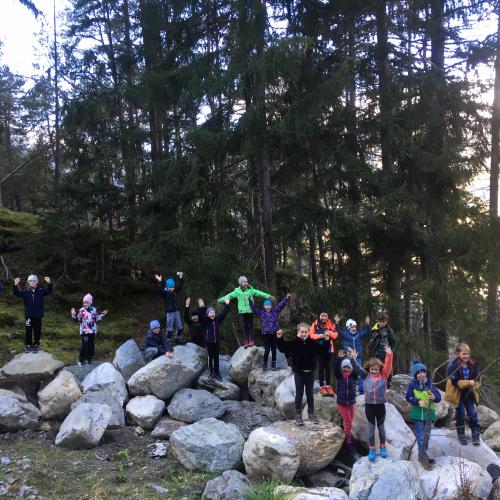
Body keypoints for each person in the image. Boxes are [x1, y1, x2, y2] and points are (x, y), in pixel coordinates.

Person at [277, 324, 320, 426]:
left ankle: (311, 413)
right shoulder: (295, 342)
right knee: (299, 393)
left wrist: (326, 340)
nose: (304, 334)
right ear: (298, 332)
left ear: (308, 332)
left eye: (305, 332)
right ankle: (298, 415)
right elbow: (283, 348)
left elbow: (322, 350)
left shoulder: (312, 343)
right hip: (299, 372)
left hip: (310, 372)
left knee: (310, 393)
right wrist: (279, 338)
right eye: (302, 332)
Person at [357, 345, 393, 461]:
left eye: (376, 369)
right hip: (369, 407)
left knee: (381, 428)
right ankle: (372, 449)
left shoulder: (384, 376)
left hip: (380, 406)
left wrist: (389, 355)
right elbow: (357, 369)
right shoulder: (366, 376)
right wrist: (353, 359)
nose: (374, 371)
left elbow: (387, 366)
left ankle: (383, 448)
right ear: (369, 369)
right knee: (371, 429)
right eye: (372, 369)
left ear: (379, 369)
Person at [217, 276, 273, 348]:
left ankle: (251, 340)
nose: (246, 283)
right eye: (244, 282)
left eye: (246, 281)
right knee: (245, 326)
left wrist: (268, 296)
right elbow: (229, 296)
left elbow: (259, 293)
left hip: (250, 310)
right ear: (240, 283)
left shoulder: (250, 290)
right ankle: (246, 341)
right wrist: (220, 300)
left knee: (250, 326)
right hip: (242, 312)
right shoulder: (237, 292)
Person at [405, 360, 441, 469]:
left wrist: (434, 397)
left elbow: (438, 397)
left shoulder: (430, 384)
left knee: (427, 435)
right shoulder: (412, 385)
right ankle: (422, 458)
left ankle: (424, 454)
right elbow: (408, 397)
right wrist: (416, 401)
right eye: (419, 372)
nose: (422, 374)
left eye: (423, 372)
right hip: (417, 415)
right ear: (415, 374)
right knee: (421, 437)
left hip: (428, 415)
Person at [446, 343, 480, 446]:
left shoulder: (472, 365)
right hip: (458, 395)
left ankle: (476, 435)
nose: (466, 356)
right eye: (463, 354)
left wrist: (475, 385)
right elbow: (455, 382)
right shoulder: (453, 367)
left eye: (467, 354)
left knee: (472, 414)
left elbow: (477, 378)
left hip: (469, 394)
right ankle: (461, 435)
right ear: (458, 354)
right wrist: (468, 383)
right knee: (460, 414)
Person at [250, 293, 291, 371]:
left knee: (274, 350)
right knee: (267, 350)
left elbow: (281, 305)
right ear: (264, 306)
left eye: (269, 305)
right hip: (266, 335)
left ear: (271, 306)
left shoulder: (275, 311)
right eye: (266, 305)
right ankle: (264, 364)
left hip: (274, 334)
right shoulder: (261, 313)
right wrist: (250, 301)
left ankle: (273, 365)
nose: (267, 307)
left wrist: (286, 298)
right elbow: (254, 309)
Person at [13, 274, 53, 353]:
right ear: (28, 282)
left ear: (36, 282)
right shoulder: (25, 291)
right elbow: (16, 293)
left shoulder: (41, 291)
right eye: (30, 281)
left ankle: (36, 345)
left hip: (38, 315)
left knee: (37, 330)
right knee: (28, 330)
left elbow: (49, 290)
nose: (32, 282)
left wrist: (49, 283)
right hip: (28, 315)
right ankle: (28, 345)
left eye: (34, 281)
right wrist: (15, 284)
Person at [335, 314, 371, 395]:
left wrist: (367, 324)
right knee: (348, 372)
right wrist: (337, 323)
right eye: (352, 327)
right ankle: (349, 391)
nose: (354, 328)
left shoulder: (359, 334)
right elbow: (338, 330)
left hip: (357, 357)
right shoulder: (345, 335)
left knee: (359, 372)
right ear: (348, 328)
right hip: (348, 357)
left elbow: (367, 332)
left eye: (355, 327)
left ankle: (362, 391)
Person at [334, 348, 361, 453]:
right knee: (348, 423)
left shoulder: (353, 376)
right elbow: (336, 368)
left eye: (348, 367)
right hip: (341, 404)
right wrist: (339, 359)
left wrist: (353, 359)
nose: (346, 368)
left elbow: (356, 369)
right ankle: (347, 443)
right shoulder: (339, 375)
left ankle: (345, 438)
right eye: (344, 367)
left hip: (351, 403)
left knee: (348, 423)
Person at [71, 293, 108, 366]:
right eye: (84, 302)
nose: (85, 304)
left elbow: (97, 319)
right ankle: (81, 360)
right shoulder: (81, 310)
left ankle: (89, 359)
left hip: (93, 331)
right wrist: (73, 314)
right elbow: (78, 320)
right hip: (85, 332)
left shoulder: (94, 310)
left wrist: (102, 314)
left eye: (87, 302)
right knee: (85, 345)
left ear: (90, 303)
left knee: (91, 346)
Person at [309, 308, 338, 396]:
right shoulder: (315, 324)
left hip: (328, 349)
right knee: (321, 368)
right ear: (319, 316)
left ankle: (328, 386)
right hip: (319, 349)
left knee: (328, 368)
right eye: (322, 315)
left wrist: (329, 333)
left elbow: (335, 335)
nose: (324, 317)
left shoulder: (331, 324)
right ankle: (322, 387)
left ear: (327, 316)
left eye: (325, 316)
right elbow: (311, 335)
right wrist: (320, 335)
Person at [201, 299, 230, 380]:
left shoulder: (217, 319)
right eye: (210, 313)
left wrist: (227, 305)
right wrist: (203, 307)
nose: (212, 314)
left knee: (217, 357)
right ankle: (211, 373)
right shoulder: (206, 321)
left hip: (216, 341)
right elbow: (202, 315)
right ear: (207, 314)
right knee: (210, 358)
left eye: (213, 312)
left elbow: (224, 314)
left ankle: (217, 373)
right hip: (209, 342)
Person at [367, 312, 395, 388]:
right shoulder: (374, 329)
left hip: (385, 354)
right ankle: (374, 386)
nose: (382, 323)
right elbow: (370, 340)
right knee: (375, 370)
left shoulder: (389, 331)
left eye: (384, 322)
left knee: (386, 370)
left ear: (386, 321)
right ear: (378, 321)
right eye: (380, 321)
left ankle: (388, 385)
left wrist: (390, 353)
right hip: (375, 353)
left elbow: (393, 343)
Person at [155, 271, 184, 342]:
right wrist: (159, 281)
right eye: (170, 286)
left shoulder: (174, 291)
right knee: (169, 330)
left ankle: (177, 339)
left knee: (180, 328)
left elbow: (180, 285)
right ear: (167, 286)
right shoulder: (165, 293)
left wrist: (181, 277)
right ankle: (167, 342)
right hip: (169, 313)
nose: (171, 288)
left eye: (172, 286)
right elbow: (159, 290)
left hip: (176, 311)